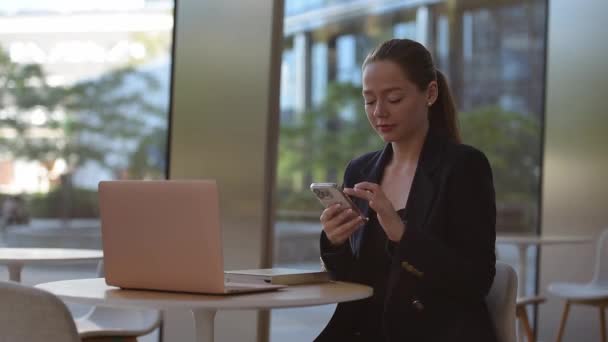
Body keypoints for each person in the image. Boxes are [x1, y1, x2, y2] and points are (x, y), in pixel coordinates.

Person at [316, 39, 497, 342]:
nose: (379, 113)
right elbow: (355, 281)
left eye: (394, 98)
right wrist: (335, 243)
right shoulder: (360, 170)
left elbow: (476, 281)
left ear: (430, 93)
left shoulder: (464, 167)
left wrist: (402, 234)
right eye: (369, 101)